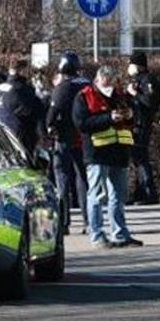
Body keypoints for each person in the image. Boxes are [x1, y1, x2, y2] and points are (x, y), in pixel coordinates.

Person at [72, 65, 142, 249]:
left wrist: (130, 114)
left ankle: (120, 233)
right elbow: (82, 124)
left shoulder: (120, 96)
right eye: (105, 82)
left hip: (119, 152)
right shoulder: (84, 97)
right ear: (97, 80)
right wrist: (109, 118)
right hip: (97, 153)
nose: (109, 86)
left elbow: (135, 117)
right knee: (96, 195)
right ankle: (97, 235)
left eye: (111, 82)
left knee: (118, 196)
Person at [47, 51, 91, 235]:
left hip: (64, 139)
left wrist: (50, 128)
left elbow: (51, 115)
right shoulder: (88, 85)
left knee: (62, 179)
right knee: (84, 179)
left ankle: (64, 222)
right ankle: (89, 221)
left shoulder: (61, 88)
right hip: (84, 138)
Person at [125, 52, 160, 204]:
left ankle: (149, 193)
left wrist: (135, 94)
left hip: (142, 124)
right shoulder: (136, 79)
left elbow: (149, 102)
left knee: (141, 158)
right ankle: (139, 192)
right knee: (137, 159)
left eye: (131, 64)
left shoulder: (148, 80)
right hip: (134, 123)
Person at [0, 59, 46, 158]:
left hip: (2, 130)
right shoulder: (22, 89)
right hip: (21, 134)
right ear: (21, 71)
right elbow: (33, 110)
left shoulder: (1, 87)